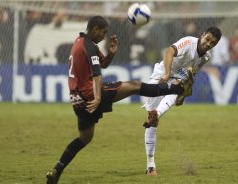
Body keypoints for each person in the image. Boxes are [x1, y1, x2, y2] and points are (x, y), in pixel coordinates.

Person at [46, 15, 190, 184]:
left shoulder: (80, 41)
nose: (104, 36)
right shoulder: (89, 46)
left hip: (78, 100)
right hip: (91, 94)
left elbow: (103, 64)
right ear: (95, 29)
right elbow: (96, 74)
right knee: (135, 86)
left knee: (84, 138)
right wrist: (98, 96)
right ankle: (178, 88)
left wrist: (111, 53)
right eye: (103, 32)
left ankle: (57, 169)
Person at [142, 26, 222, 176]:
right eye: (207, 39)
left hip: (176, 81)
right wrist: (166, 74)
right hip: (160, 75)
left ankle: (150, 165)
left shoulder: (206, 57)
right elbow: (169, 52)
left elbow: (189, 76)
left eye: (212, 43)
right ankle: (155, 114)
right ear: (202, 34)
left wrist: (183, 95)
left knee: (171, 97)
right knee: (150, 122)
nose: (208, 44)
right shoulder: (188, 42)